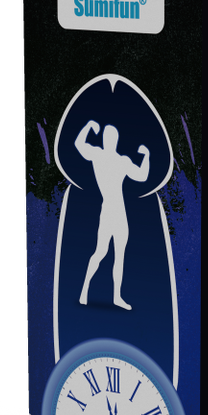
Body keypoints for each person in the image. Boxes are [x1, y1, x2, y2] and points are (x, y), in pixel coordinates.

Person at [75, 122, 150, 310]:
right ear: (106, 140)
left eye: (110, 137)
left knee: (117, 255)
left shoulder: (118, 160)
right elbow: (78, 145)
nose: (109, 140)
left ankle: (116, 296)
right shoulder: (101, 156)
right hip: (110, 210)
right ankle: (85, 290)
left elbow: (142, 176)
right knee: (101, 252)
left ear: (114, 140)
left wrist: (146, 156)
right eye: (107, 137)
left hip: (117, 213)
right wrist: (89, 125)